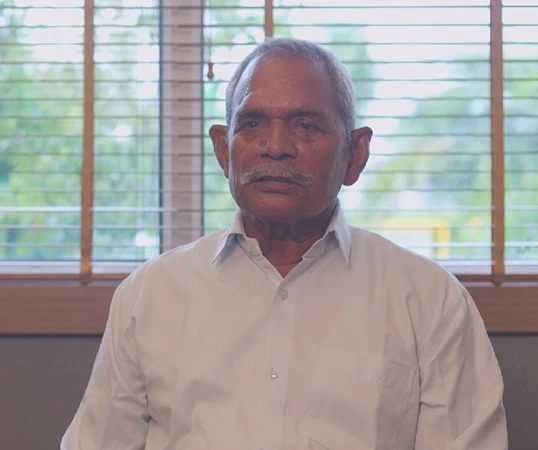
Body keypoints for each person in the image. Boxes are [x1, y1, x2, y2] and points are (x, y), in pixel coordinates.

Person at [62, 37, 507, 450]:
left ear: (355, 155)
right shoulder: (150, 295)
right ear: (223, 150)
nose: (275, 146)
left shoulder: (429, 300)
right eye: (252, 123)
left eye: (305, 125)